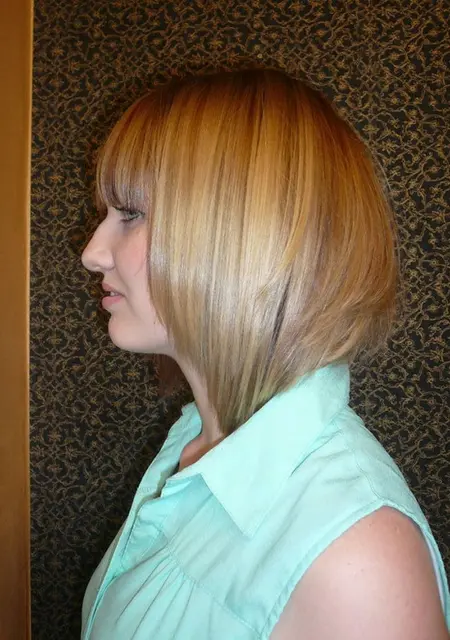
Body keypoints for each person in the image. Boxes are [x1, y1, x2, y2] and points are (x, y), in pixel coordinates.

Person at [80, 68, 450, 639]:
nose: (93, 252)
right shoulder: (195, 443)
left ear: (244, 237)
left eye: (131, 214)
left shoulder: (355, 563)